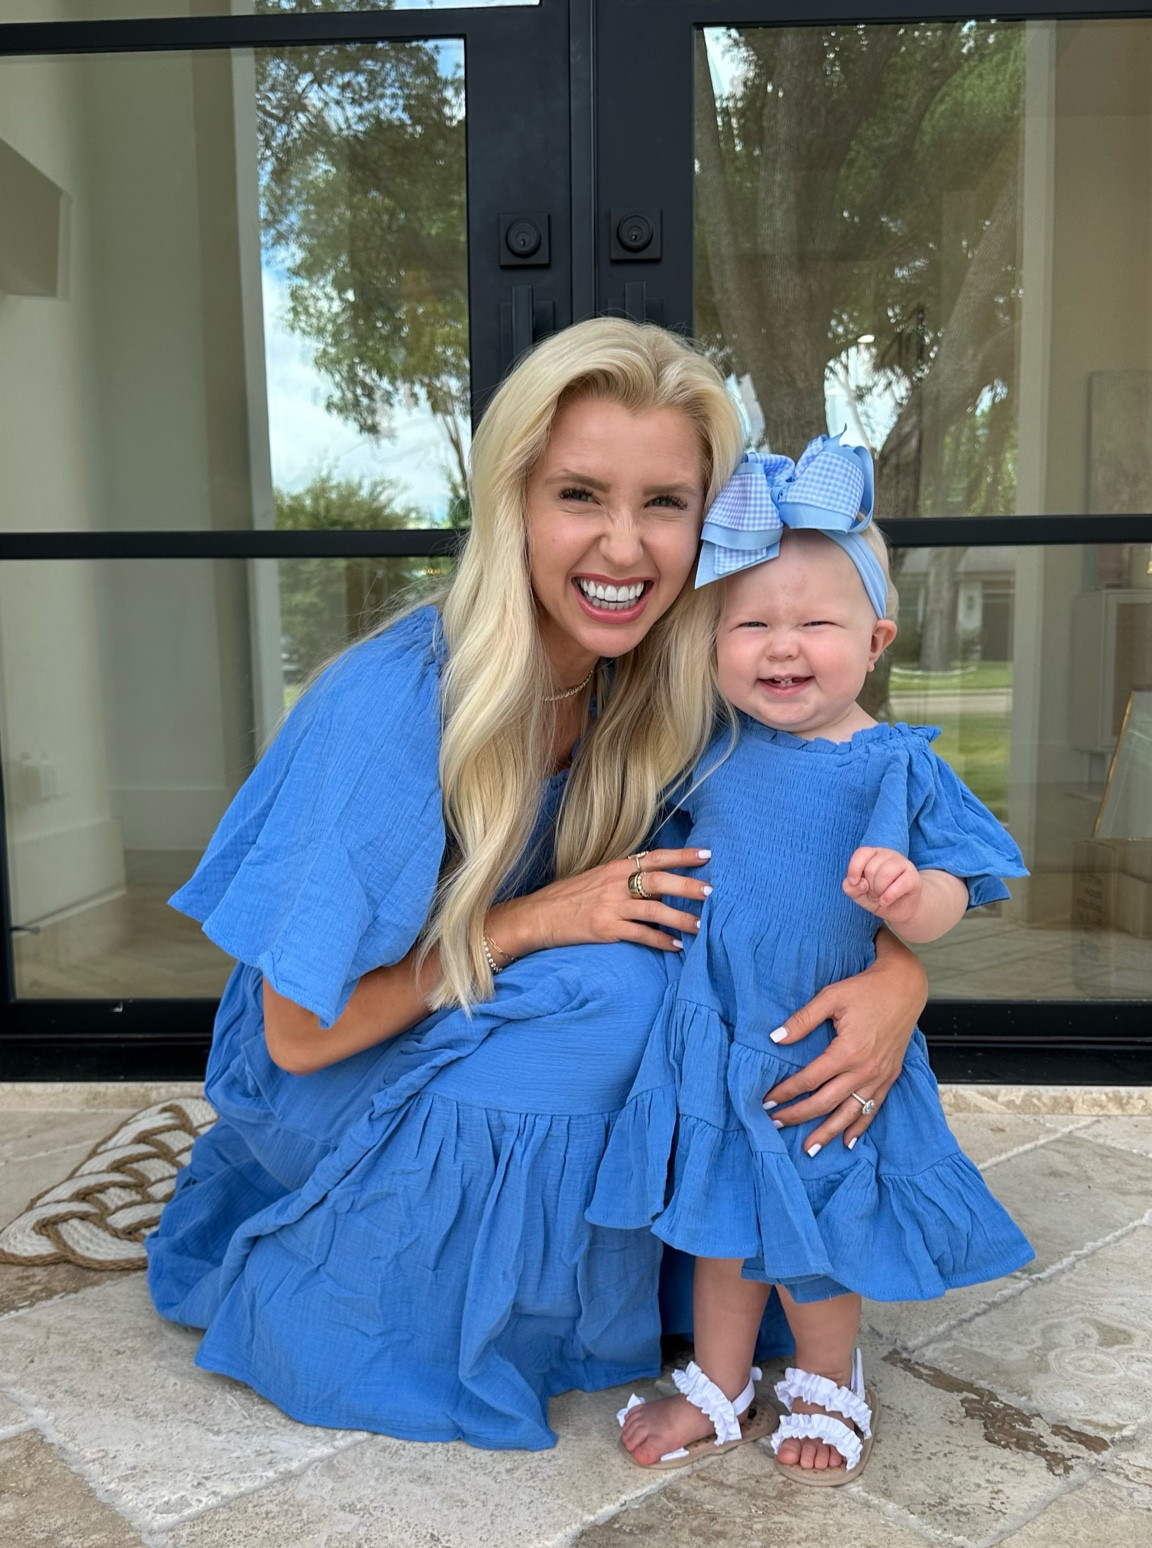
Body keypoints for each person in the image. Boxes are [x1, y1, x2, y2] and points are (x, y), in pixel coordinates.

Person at [147, 324, 930, 1452]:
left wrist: (897, 979)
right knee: (624, 990)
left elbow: (834, 829)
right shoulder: (395, 709)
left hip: (488, 1016)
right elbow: (299, 1039)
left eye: (665, 502)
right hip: (335, 1071)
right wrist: (534, 921)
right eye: (580, 494)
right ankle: (459, 1301)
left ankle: (682, 1270)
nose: (625, 544)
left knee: (692, 969)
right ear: (512, 500)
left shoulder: (665, 680)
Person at [595, 436, 1033, 1479]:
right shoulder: (718, 748)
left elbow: (955, 899)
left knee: (818, 1230)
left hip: (821, 1048)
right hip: (717, 1032)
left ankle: (830, 1383)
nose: (780, 647)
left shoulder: (895, 768)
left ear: (876, 638)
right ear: (712, 644)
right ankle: (718, 1381)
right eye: (750, 623)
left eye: (814, 624)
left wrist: (906, 898)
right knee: (717, 1222)